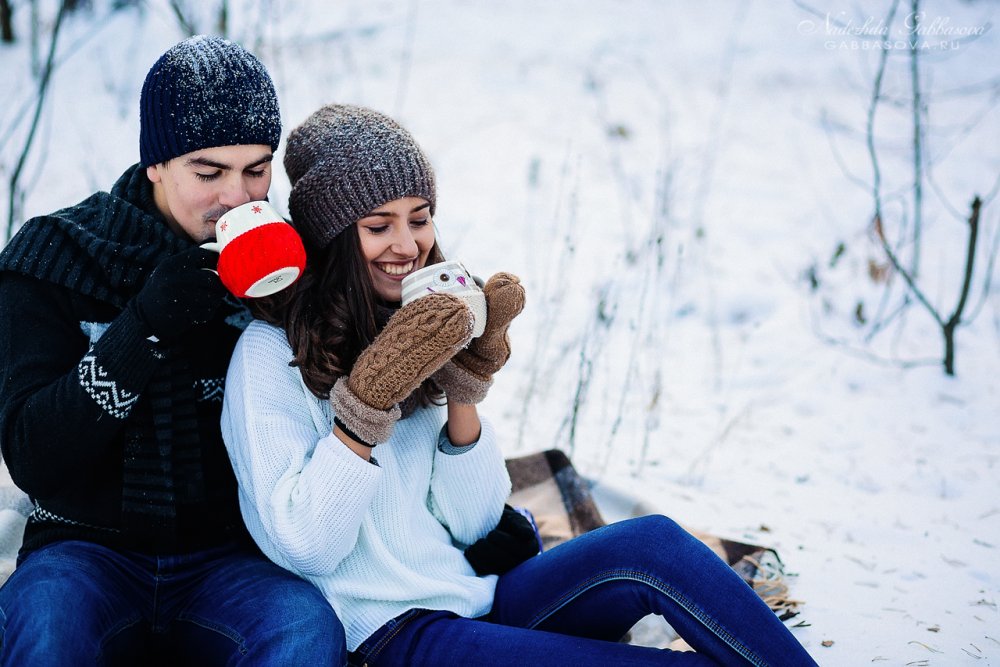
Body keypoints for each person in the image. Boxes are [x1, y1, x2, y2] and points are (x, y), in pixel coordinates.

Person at [221, 103, 819, 666]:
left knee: (654, 545)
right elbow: (305, 545)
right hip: (394, 634)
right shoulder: (269, 358)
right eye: (379, 226)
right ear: (331, 239)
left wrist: (463, 386)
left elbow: (474, 524)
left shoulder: (412, 325)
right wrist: (365, 409)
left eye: (421, 218)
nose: (408, 245)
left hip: (479, 598)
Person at [0, 36, 345, 664]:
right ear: (155, 163)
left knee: (304, 630)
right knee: (45, 628)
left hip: (231, 559)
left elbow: (354, 394)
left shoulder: (287, 269)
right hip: (84, 550)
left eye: (257, 169)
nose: (237, 198)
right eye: (208, 172)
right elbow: (31, 456)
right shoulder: (58, 256)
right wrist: (145, 326)